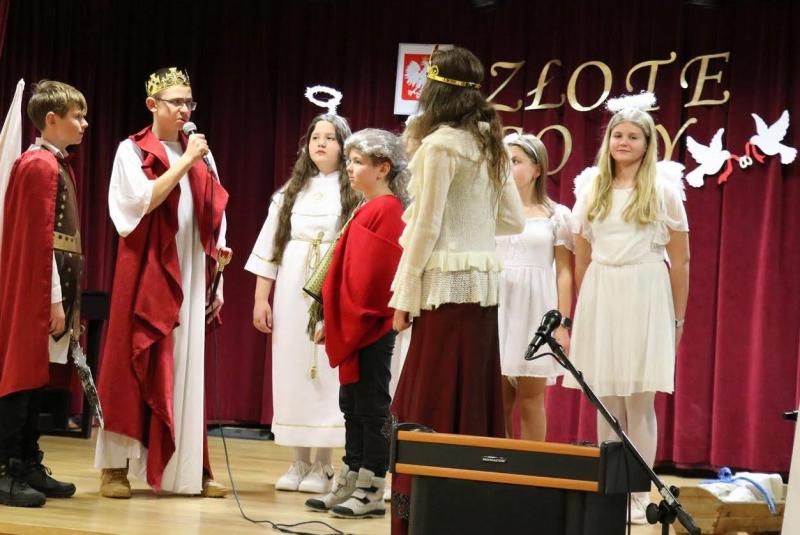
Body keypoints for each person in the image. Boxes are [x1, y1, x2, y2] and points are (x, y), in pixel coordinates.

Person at [388, 46, 526, 534]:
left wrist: (403, 296)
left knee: (429, 402)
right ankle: (472, 514)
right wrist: (474, 226)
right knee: (472, 401)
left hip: (443, 294)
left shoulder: (440, 146)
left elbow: (426, 228)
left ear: (434, 90)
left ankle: (425, 517)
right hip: (480, 295)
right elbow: (513, 219)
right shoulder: (490, 143)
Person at [94, 67, 229, 499]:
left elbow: (215, 212)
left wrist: (217, 273)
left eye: (190, 102)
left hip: (191, 267)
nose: (185, 110)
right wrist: (185, 162)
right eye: (177, 102)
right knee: (131, 359)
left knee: (185, 362)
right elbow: (140, 203)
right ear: (153, 105)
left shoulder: (201, 154)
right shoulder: (131, 151)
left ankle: (187, 469)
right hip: (148, 268)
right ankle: (115, 467)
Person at [566, 93, 690, 524]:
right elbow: (581, 257)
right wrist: (588, 307)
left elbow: (682, 260)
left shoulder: (663, 193)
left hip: (645, 290)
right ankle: (613, 491)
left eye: (633, 136)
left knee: (639, 399)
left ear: (647, 144)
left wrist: (677, 317)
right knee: (606, 400)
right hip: (602, 292)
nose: (623, 141)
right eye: (617, 134)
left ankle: (639, 492)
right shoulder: (591, 191)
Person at [247, 113, 358, 493]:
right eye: (315, 137)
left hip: (332, 287)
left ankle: (324, 465)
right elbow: (270, 248)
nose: (321, 143)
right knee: (292, 367)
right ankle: (298, 461)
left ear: (344, 146)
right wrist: (261, 298)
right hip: (293, 289)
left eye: (330, 138)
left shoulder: (353, 192)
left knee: (326, 371)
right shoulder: (288, 194)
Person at [304, 129, 407, 518]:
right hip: (352, 320)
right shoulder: (365, 207)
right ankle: (351, 476)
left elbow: (373, 276)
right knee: (351, 403)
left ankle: (372, 485)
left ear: (383, 168)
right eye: (349, 160)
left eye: (359, 162)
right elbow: (345, 271)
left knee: (372, 405)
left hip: (371, 324)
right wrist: (333, 317)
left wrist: (344, 316)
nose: (349, 167)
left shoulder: (388, 210)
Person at [0, 80, 87, 508]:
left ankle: (27, 462)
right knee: (21, 375)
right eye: (77, 116)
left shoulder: (56, 165)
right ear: (51, 120)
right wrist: (53, 299)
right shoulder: (38, 166)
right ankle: (5, 468)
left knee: (39, 379)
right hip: (40, 292)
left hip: (56, 291)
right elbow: (38, 242)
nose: (84, 124)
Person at [496, 133, 573, 441]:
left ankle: (531, 466)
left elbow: (564, 272)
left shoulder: (556, 215)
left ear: (536, 169)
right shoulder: (490, 210)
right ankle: (497, 463)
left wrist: (563, 324)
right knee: (497, 400)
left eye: (515, 161)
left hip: (536, 311)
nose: (507, 166)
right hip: (498, 307)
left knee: (531, 398)